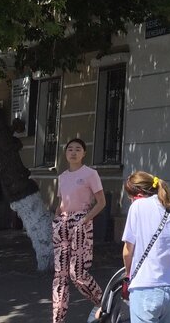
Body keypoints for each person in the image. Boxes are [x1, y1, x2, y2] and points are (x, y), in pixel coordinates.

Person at [121, 171, 170, 323]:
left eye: (130, 197)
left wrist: (128, 273)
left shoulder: (137, 207)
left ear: (138, 195)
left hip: (144, 290)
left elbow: (127, 252)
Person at [52, 138, 106, 323]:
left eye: (77, 149)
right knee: (60, 275)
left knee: (78, 273)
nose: (73, 152)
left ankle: (103, 303)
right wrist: (56, 218)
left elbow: (101, 202)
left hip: (81, 223)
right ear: (65, 153)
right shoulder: (62, 177)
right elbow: (62, 202)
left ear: (84, 153)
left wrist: (85, 220)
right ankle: (58, 319)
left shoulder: (90, 174)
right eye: (70, 149)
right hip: (62, 224)